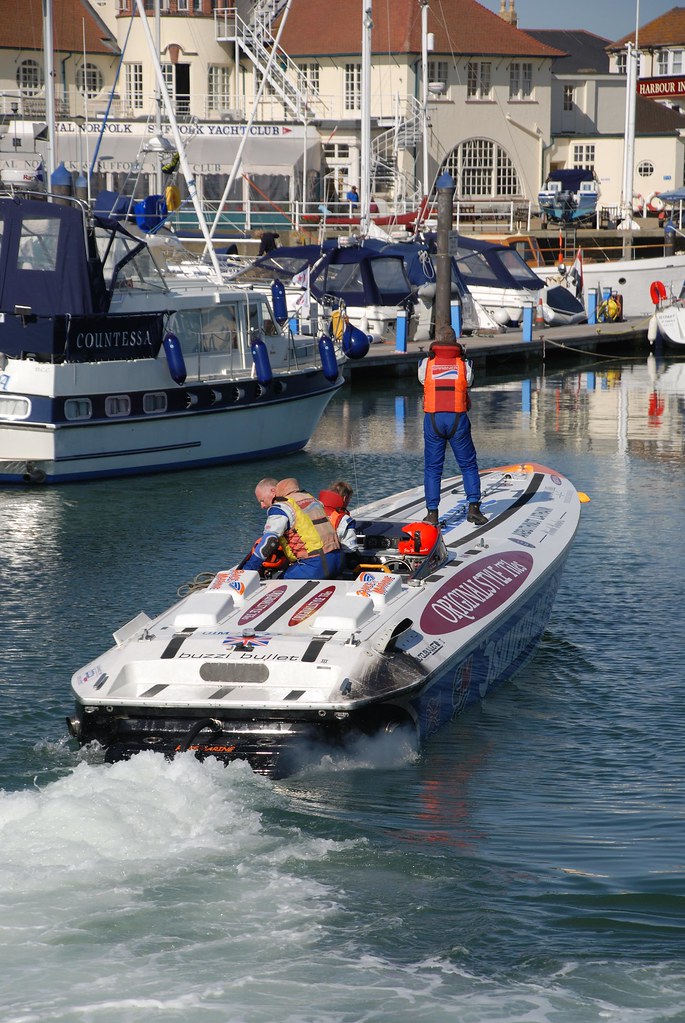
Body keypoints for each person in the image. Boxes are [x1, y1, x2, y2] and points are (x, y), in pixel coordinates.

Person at [418, 324, 487, 527]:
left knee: (432, 468)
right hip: (457, 419)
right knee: (468, 465)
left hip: (433, 419)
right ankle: (474, 508)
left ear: (437, 341)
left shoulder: (426, 364)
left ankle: (432, 513)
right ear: (456, 343)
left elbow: (423, 382)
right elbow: (470, 382)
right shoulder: (464, 365)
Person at [243, 477, 342, 579]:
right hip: (338, 560)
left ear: (273, 491)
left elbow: (269, 541)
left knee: (275, 585)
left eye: (262, 500)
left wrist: (247, 570)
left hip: (315, 566)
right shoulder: (310, 498)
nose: (262, 506)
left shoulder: (281, 507)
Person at [318, 480, 358, 553]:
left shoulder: (315, 512)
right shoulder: (345, 520)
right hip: (333, 557)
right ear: (345, 498)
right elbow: (350, 549)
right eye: (350, 498)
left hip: (313, 557)